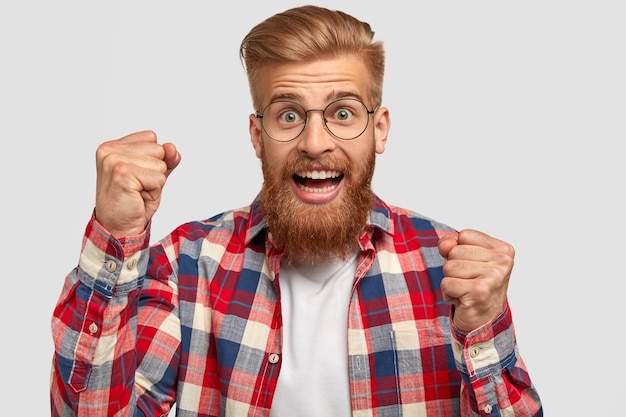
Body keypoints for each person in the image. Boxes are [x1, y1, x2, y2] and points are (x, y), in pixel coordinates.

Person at [50, 5, 542, 417]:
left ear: (380, 130)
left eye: (343, 113)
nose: (314, 142)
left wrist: (484, 328)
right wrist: (116, 236)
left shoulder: (451, 270)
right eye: (288, 114)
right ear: (257, 136)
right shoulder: (187, 265)